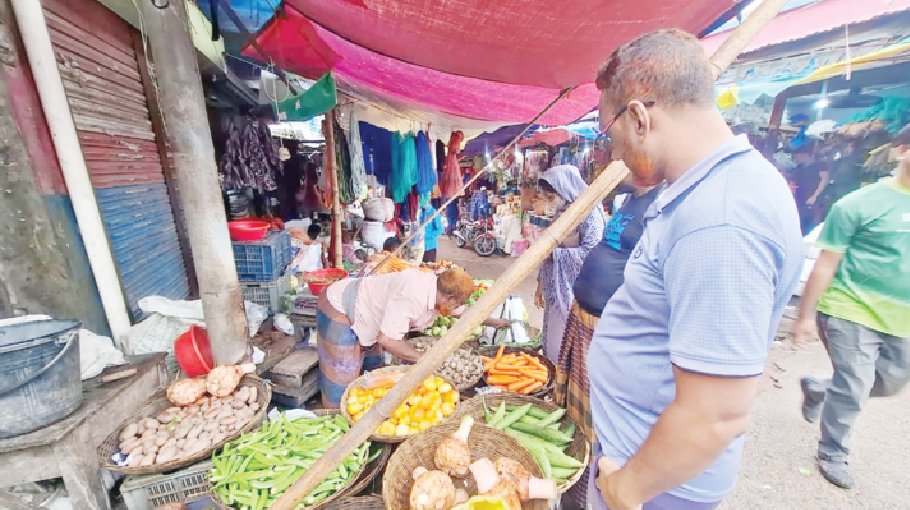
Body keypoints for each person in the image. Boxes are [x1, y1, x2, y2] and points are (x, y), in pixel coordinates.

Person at [587, 29, 803, 510]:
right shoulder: (708, 189)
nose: (614, 152)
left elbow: (715, 414)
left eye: (610, 132)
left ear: (640, 117)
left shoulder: (720, 219)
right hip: (646, 462)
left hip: (656, 485)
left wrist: (628, 488)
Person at [791, 124, 910, 489]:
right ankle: (833, 451)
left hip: (901, 317)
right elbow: (826, 263)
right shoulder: (859, 204)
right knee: (856, 382)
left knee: (889, 383)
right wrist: (806, 316)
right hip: (850, 306)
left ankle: (821, 389)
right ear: (902, 151)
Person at [553, 174, 663, 508]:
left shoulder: (662, 203)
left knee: (597, 416)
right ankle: (573, 478)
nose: (613, 160)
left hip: (606, 328)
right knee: (574, 410)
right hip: (583, 317)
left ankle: (590, 488)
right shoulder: (630, 200)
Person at [316, 268, 474, 408]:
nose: (456, 307)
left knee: (374, 374)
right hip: (341, 307)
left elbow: (464, 312)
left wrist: (495, 322)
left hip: (369, 316)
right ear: (449, 298)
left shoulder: (439, 291)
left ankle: (365, 413)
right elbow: (386, 340)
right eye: (457, 303)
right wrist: (426, 360)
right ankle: (336, 424)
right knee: (341, 381)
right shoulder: (413, 294)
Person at [534, 164, 605, 364]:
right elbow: (548, 249)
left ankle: (559, 380)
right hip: (553, 289)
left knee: (566, 343)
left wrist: (554, 254)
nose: (549, 201)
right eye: (546, 196)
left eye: (551, 196)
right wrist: (540, 284)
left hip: (573, 292)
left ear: (565, 189)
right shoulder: (563, 213)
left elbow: (591, 253)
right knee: (551, 337)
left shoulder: (590, 215)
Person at [790, 142, 830, 235]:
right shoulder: (798, 169)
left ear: (806, 154)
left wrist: (814, 196)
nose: (795, 157)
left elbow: (824, 179)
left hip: (816, 202)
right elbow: (793, 184)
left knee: (813, 227)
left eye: (797, 155)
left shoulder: (820, 165)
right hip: (801, 203)